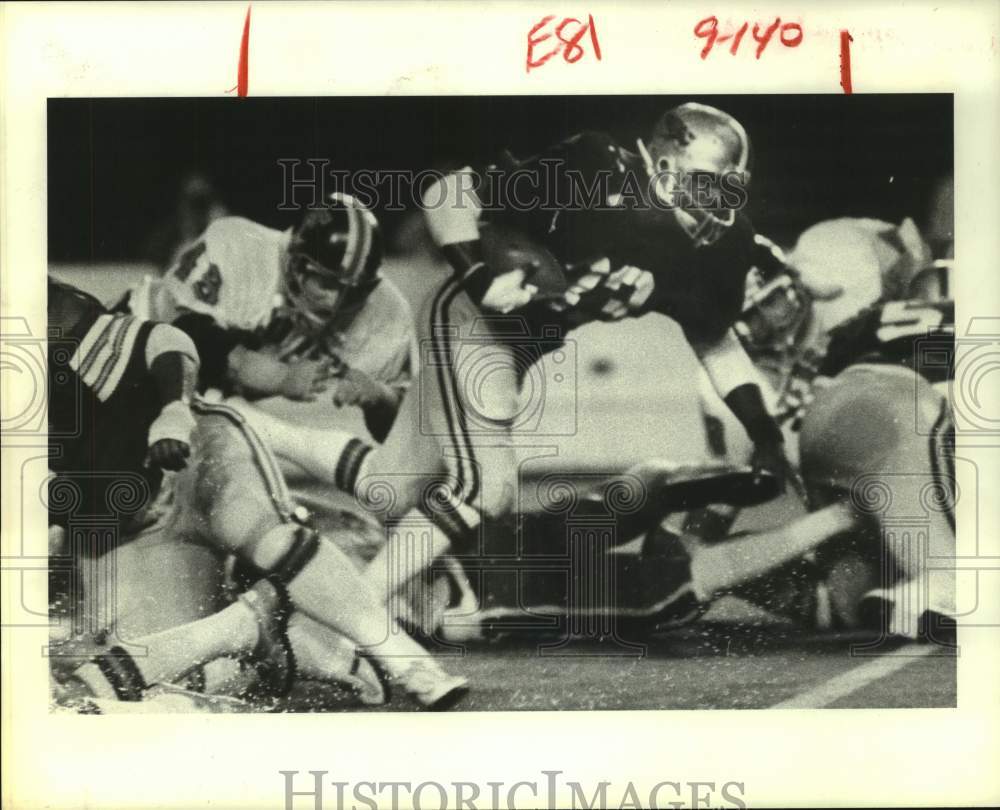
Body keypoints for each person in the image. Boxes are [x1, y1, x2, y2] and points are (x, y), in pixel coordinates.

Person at [266, 103, 797, 606]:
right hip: (474, 319)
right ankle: (354, 617)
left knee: (391, 485)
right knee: (484, 489)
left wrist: (764, 431)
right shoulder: (597, 169)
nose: (717, 204)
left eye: (727, 189)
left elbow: (712, 336)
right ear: (663, 165)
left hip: (521, 345)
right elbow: (445, 194)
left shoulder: (719, 246)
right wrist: (478, 273)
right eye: (705, 183)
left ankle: (257, 431)